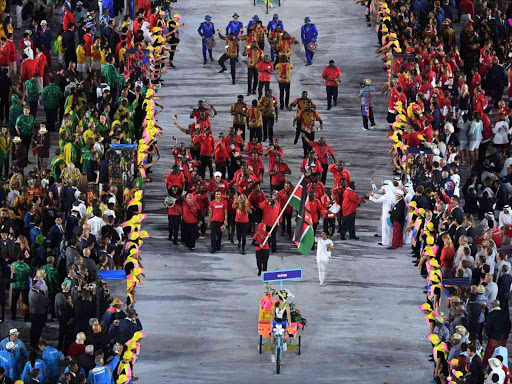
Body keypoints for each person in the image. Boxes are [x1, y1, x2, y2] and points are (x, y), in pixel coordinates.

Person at [269, 290, 292, 363]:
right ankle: (272, 354)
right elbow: (272, 314)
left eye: (277, 296)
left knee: (285, 335)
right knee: (272, 339)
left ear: (280, 297)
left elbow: (288, 315)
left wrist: (289, 324)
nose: (276, 297)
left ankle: (284, 343)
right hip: (275, 322)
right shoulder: (275, 305)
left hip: (283, 322)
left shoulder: (286, 305)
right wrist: (270, 323)